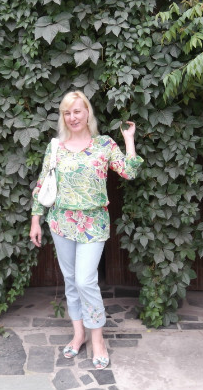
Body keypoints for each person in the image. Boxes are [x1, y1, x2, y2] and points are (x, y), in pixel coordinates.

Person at [29, 91, 143, 370]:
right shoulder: (56, 147)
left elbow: (129, 172)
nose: (73, 117)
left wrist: (129, 140)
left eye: (77, 111)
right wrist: (35, 220)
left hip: (93, 224)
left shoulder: (104, 144)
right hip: (61, 222)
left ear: (87, 113)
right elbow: (43, 183)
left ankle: (98, 339)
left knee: (84, 280)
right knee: (71, 280)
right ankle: (78, 334)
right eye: (67, 113)